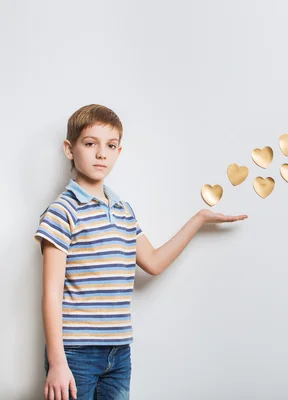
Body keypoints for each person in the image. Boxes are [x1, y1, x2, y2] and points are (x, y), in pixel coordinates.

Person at [34, 104, 247, 400]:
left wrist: (198, 220)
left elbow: (154, 262)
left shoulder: (123, 211)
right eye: (90, 143)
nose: (101, 154)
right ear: (70, 149)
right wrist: (57, 362)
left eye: (110, 146)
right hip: (75, 352)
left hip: (119, 352)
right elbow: (51, 292)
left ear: (119, 152)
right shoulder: (62, 211)